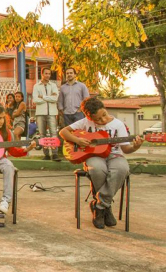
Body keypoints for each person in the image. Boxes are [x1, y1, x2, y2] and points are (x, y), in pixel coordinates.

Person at [59, 97, 143, 229]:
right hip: (94, 156)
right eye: (97, 119)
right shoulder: (85, 122)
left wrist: (135, 147)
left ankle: (99, 206)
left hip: (115, 155)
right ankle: (106, 206)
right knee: (97, 169)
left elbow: (126, 149)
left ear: (105, 109)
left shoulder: (118, 124)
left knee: (121, 169)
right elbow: (63, 132)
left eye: (104, 115)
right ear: (89, 117)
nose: (103, 120)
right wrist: (77, 140)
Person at [33, 68, 60, 161]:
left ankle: (55, 154)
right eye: (46, 73)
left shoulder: (53, 85)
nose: (48, 75)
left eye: (49, 74)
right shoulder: (36, 86)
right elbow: (36, 100)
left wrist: (43, 97)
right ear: (42, 74)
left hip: (52, 113)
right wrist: (49, 98)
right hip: (40, 113)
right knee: (42, 134)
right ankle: (46, 154)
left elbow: (55, 99)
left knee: (53, 133)